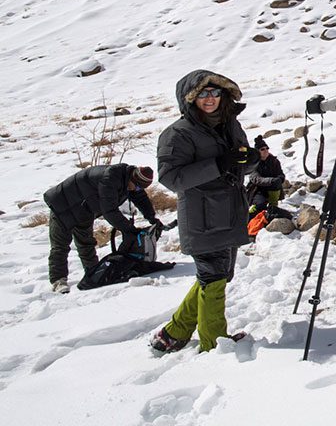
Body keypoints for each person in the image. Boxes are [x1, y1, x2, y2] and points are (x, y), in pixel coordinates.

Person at [151, 70, 257, 354]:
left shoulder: (230, 124)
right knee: (213, 278)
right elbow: (171, 177)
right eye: (202, 94)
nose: (210, 99)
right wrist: (219, 164)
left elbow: (241, 162)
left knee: (219, 275)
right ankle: (214, 344)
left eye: (215, 93)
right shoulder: (178, 133)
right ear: (190, 98)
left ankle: (174, 332)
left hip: (231, 211)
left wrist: (251, 160)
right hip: (202, 216)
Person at [43, 164, 160, 293]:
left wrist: (152, 218)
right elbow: (109, 210)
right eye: (137, 186)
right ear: (133, 179)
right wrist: (129, 229)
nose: (136, 190)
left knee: (86, 243)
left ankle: (93, 273)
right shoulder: (110, 178)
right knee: (60, 245)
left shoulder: (129, 179)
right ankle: (58, 280)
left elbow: (140, 197)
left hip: (84, 208)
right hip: (62, 205)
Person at [247, 135, 285, 217]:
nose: (266, 150)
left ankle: (273, 207)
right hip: (258, 190)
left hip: (272, 188)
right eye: (262, 149)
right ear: (257, 151)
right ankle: (248, 217)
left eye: (267, 148)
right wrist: (271, 180)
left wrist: (280, 179)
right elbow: (255, 179)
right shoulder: (253, 163)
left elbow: (281, 174)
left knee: (272, 209)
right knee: (260, 205)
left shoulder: (274, 161)